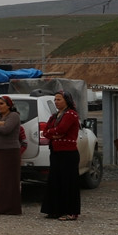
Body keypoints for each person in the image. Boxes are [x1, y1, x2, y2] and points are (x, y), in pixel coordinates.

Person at [41, 90, 81, 221]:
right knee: (55, 181)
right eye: (55, 100)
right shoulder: (54, 116)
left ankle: (70, 211)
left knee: (68, 182)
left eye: (59, 99)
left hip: (68, 153)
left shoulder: (71, 114)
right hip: (55, 152)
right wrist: (54, 134)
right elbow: (45, 132)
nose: (56, 102)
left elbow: (62, 129)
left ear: (66, 101)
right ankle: (55, 210)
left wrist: (53, 132)